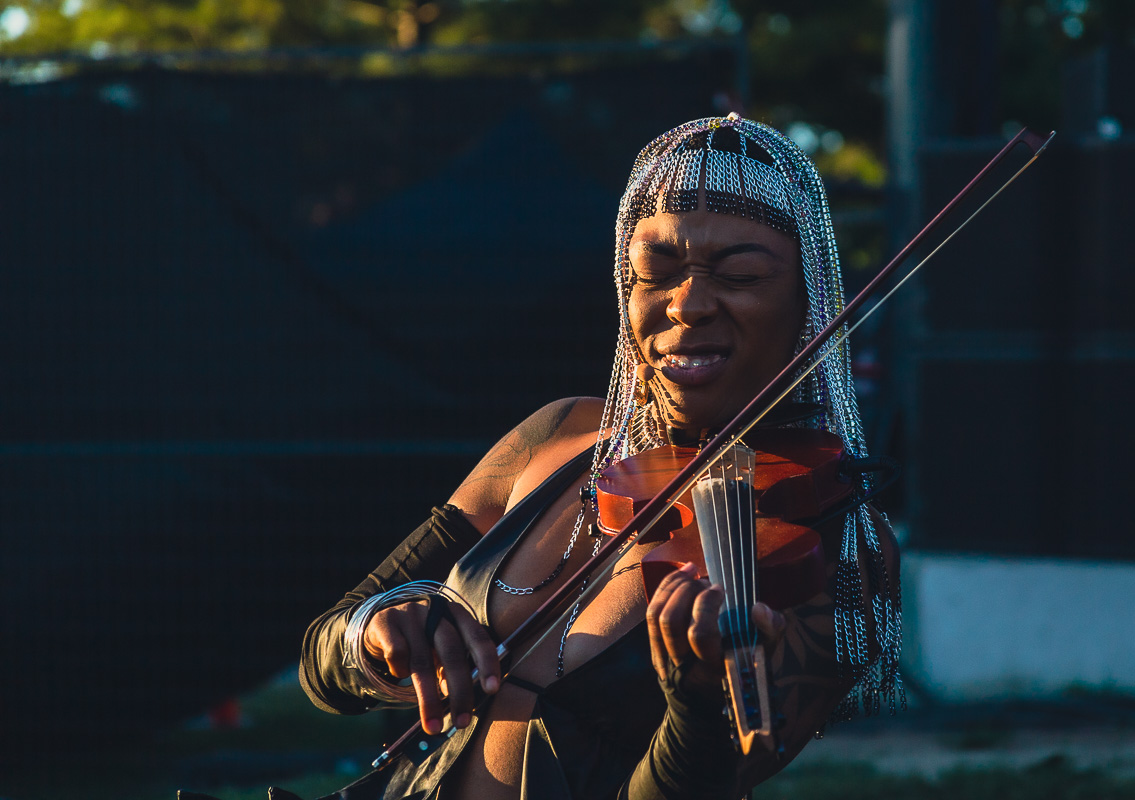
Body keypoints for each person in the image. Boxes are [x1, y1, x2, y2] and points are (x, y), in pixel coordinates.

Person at [298, 114, 902, 800]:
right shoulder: (555, 435)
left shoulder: (841, 547)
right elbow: (321, 666)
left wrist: (698, 707)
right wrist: (375, 628)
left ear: (807, 302)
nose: (689, 304)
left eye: (739, 274)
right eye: (656, 271)